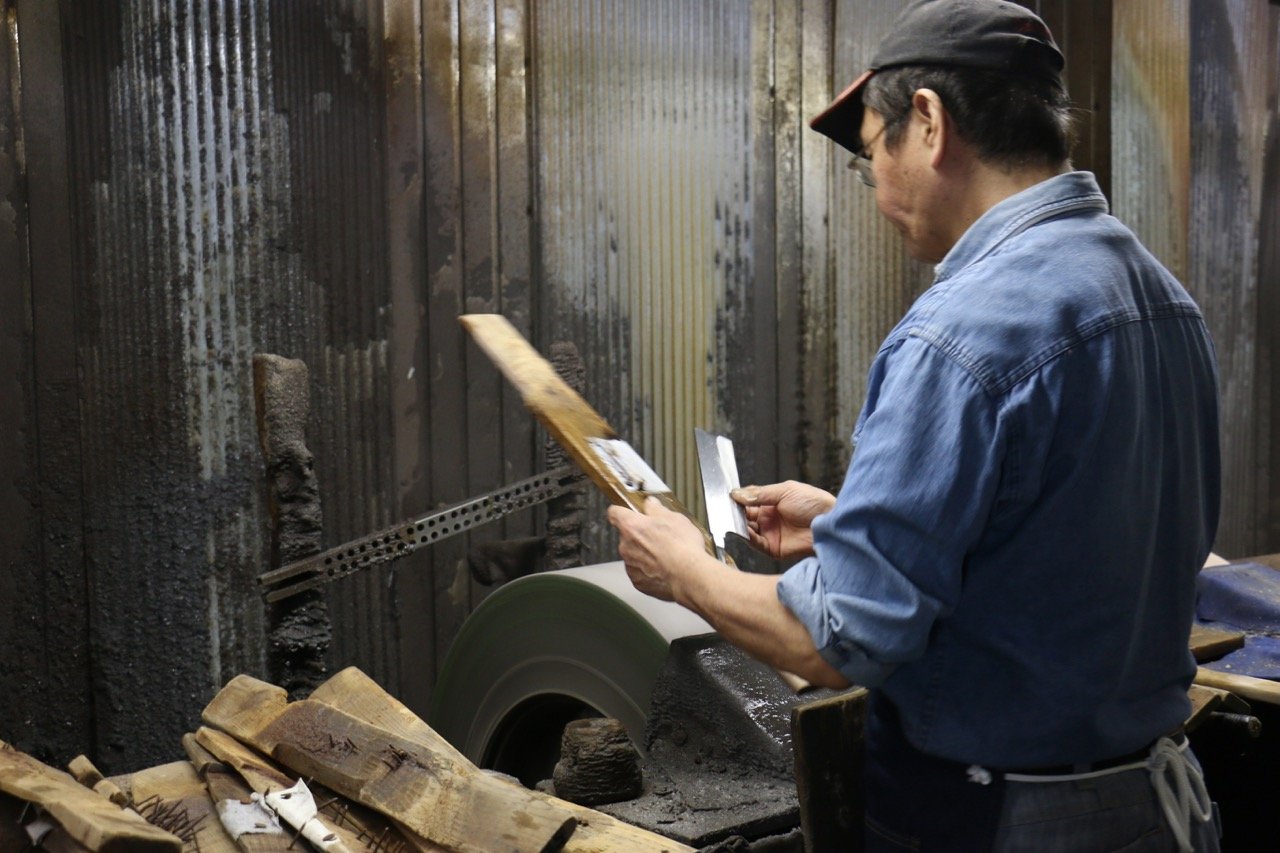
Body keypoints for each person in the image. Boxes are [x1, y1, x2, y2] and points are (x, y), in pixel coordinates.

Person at [607, 1, 1222, 850]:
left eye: (870, 156)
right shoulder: (1160, 299)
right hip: (1151, 806)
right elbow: (1083, 546)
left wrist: (683, 571)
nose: (876, 193)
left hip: (998, 818)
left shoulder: (961, 330)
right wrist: (845, 529)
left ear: (928, 123)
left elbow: (835, 640)